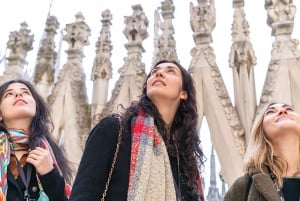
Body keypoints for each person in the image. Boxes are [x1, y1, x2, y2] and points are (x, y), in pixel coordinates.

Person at [69, 60, 205, 201]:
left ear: (183, 93)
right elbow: (84, 194)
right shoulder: (113, 131)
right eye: (154, 72)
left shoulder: (184, 160)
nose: (159, 73)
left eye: (170, 71)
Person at [0, 79, 72, 201]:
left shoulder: (50, 153)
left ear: (36, 108)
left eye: (26, 92)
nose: (19, 95)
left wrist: (49, 174)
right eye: (9, 94)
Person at [224, 102, 300, 201]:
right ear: (261, 131)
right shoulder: (243, 186)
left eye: (289, 109)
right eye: (271, 112)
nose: (282, 111)